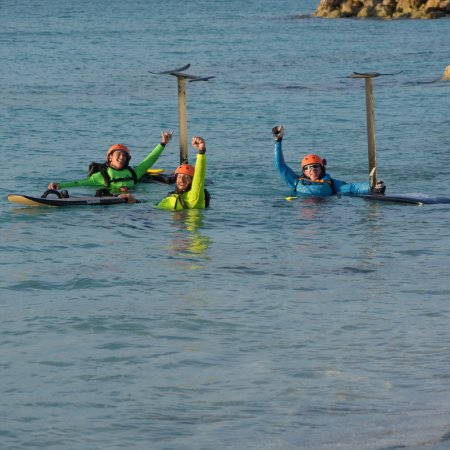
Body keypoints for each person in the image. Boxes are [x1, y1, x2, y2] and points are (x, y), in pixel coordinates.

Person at [272, 125, 386, 196]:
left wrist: (371, 186)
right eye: (308, 168)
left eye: (316, 166)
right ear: (304, 171)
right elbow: (280, 166)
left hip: (325, 212)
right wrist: (278, 141)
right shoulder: (295, 181)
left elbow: (352, 188)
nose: (312, 169)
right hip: (303, 212)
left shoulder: (332, 183)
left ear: (322, 168)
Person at [47, 131, 173, 194]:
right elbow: (79, 182)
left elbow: (149, 160)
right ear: (110, 158)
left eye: (124, 155)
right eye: (118, 154)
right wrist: (60, 185)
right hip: (111, 207)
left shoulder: (134, 172)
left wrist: (162, 144)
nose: (122, 157)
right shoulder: (101, 176)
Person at [156, 136, 208, 210]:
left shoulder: (194, 198)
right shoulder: (170, 198)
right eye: (179, 177)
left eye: (186, 177)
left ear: (193, 181)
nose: (181, 180)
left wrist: (201, 151)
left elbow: (199, 175)